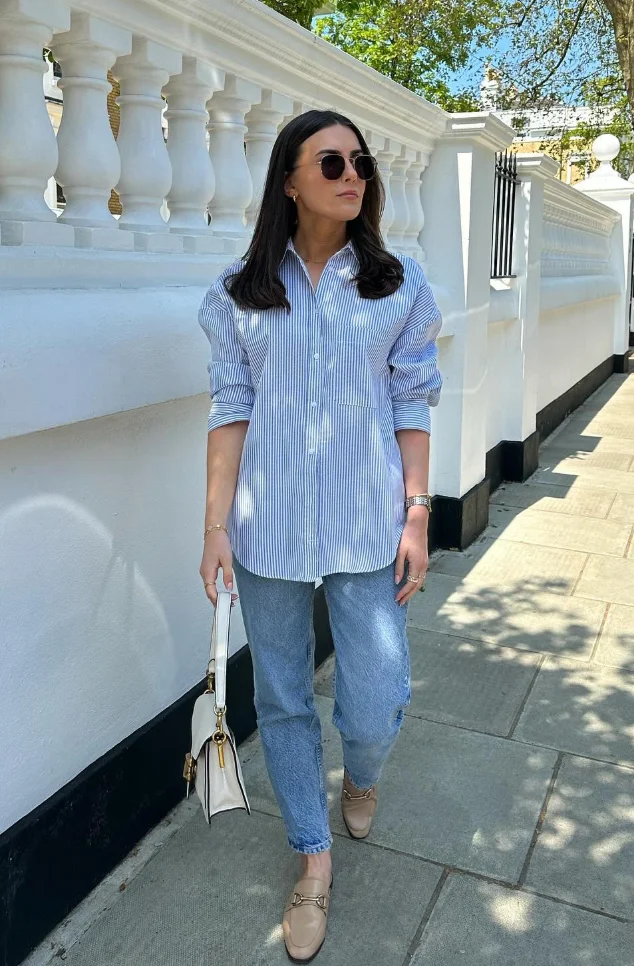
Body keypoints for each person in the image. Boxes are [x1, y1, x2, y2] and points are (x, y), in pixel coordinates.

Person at [198, 109, 443, 963]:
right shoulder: (239, 293)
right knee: (283, 700)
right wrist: (214, 526)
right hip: (265, 529)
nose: (353, 175)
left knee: (377, 693)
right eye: (331, 161)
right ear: (290, 181)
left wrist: (419, 513)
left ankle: (363, 773)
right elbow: (230, 411)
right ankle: (312, 855)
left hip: (366, 523)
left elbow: (411, 403)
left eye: (361, 162)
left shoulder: (397, 286)